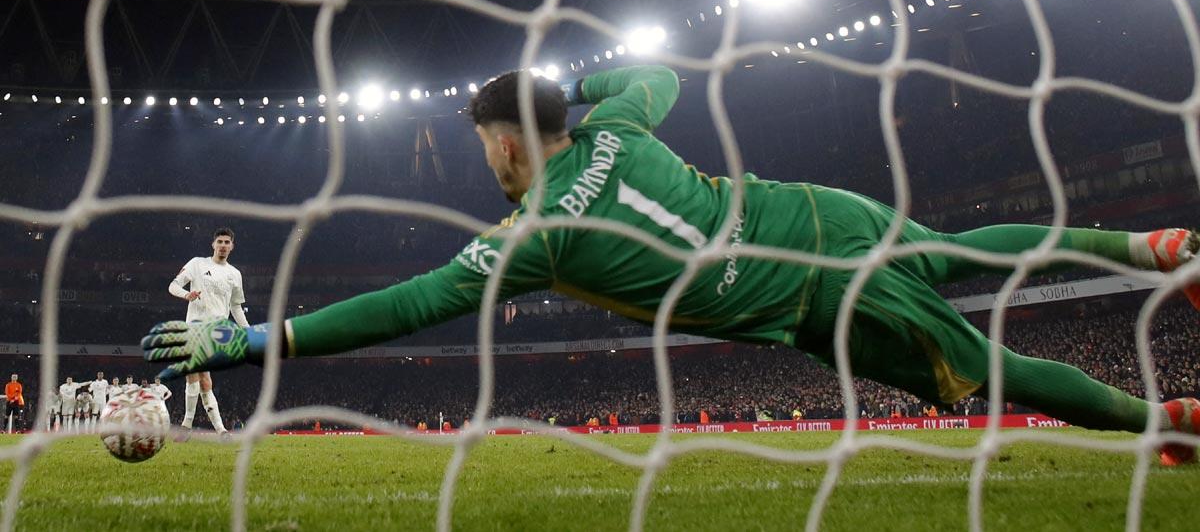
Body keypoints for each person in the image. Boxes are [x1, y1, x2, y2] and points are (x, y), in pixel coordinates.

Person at [143, 65, 1200, 465]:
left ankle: (1166, 421)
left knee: (993, 369)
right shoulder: (619, 125)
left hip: (813, 295)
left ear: (509, 141)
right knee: (964, 253)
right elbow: (659, 75)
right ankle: (1151, 251)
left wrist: (258, 340)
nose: (484, 162)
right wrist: (587, 85)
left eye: (483, 144)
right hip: (813, 211)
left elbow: (412, 302)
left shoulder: (536, 234)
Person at [166, 227, 248, 435]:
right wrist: (187, 295)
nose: (222, 245)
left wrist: (248, 329)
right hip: (194, 325)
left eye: (226, 242)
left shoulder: (234, 274)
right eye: (219, 241)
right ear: (213, 244)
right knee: (198, 375)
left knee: (202, 379)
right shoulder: (197, 264)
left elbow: (236, 306)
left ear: (232, 246)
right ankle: (218, 429)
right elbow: (173, 286)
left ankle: (190, 426)